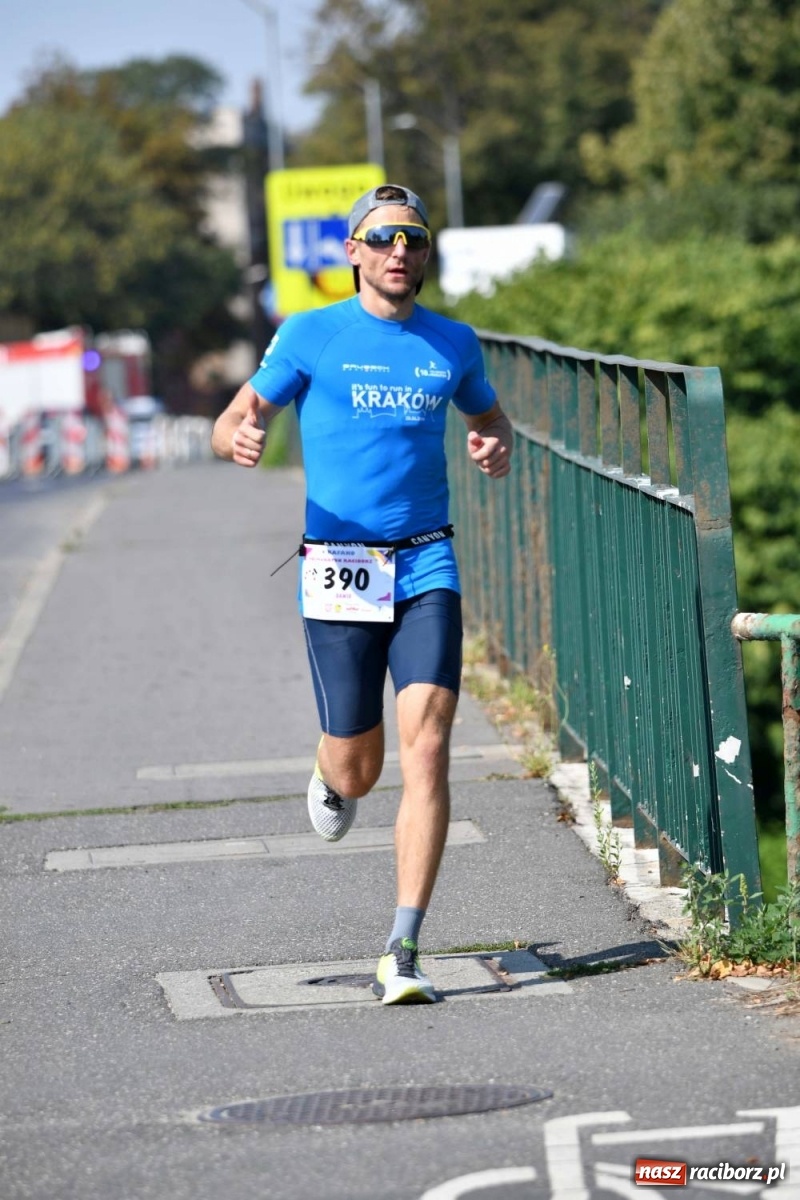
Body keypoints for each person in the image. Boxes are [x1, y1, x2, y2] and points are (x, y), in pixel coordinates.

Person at [211, 183, 513, 1005]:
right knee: (362, 767)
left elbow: (492, 419)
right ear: (352, 251)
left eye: (412, 238)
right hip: (340, 567)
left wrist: (492, 445)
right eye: (382, 238)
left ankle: (403, 949)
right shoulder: (311, 334)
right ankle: (330, 769)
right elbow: (237, 414)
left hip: (425, 564)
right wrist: (240, 432)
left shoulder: (452, 342)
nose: (398, 252)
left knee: (430, 745)